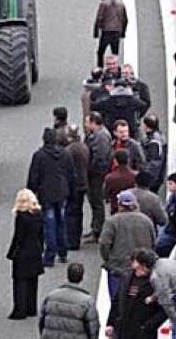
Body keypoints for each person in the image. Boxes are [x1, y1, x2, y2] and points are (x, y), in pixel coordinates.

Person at [27, 127, 75, 266]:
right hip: (62, 192)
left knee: (49, 224)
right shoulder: (65, 154)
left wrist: (31, 192)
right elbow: (71, 174)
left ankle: (50, 255)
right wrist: (71, 192)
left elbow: (34, 176)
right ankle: (63, 252)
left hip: (46, 193)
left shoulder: (39, 155)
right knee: (61, 222)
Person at [100, 190, 157, 301]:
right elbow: (154, 242)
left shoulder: (112, 222)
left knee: (116, 302)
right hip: (141, 268)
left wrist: (108, 259)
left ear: (119, 204)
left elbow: (104, 244)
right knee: (138, 301)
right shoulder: (146, 220)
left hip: (118, 267)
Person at [7, 189, 45, 319]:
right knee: (33, 280)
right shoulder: (38, 214)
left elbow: (18, 237)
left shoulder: (21, 217)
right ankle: (31, 307)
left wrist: (12, 252)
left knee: (20, 282)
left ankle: (20, 310)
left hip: (23, 252)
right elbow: (41, 234)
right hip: (36, 250)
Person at [84, 113, 113, 243]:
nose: (86, 124)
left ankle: (98, 230)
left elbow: (99, 157)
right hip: (95, 174)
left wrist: (90, 169)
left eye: (87, 122)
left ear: (93, 122)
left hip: (96, 174)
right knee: (94, 201)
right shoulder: (97, 135)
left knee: (97, 202)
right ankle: (95, 227)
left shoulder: (100, 137)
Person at [64, 125, 90, 250]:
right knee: (78, 212)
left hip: (73, 186)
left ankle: (72, 240)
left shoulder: (69, 150)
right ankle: (77, 237)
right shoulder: (84, 147)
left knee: (71, 213)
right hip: (83, 183)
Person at [93, 0, 128, 67]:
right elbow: (125, 19)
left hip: (106, 31)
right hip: (116, 32)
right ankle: (115, 69)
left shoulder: (103, 4)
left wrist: (96, 32)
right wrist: (123, 32)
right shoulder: (121, 4)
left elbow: (99, 18)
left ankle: (100, 68)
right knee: (115, 53)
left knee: (100, 52)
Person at [137, 114, 167, 193]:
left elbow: (155, 163)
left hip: (152, 178)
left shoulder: (154, 142)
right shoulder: (159, 137)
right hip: (156, 177)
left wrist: (145, 175)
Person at [105, 150, 137, 215]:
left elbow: (106, 194)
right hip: (133, 211)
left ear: (115, 161)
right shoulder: (135, 176)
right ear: (128, 160)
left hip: (116, 210)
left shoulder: (110, 178)